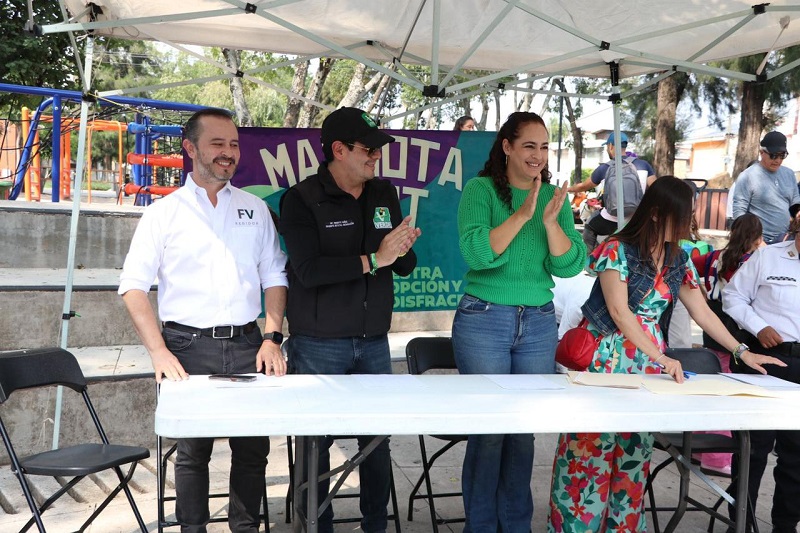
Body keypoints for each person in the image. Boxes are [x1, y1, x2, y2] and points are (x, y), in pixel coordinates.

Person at [547, 176, 785, 533]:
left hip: (647, 365)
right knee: (589, 453)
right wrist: (662, 359)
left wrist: (742, 351)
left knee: (633, 457)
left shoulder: (678, 258)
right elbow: (619, 313)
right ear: (657, 213)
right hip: (606, 359)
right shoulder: (617, 248)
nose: (690, 220)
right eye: (684, 213)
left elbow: (702, 312)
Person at [118, 108, 289, 533]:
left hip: (250, 344)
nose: (228, 152)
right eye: (217, 143)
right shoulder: (163, 213)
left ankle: (245, 528)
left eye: (233, 144)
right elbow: (133, 286)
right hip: (186, 348)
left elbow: (274, 275)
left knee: (253, 451)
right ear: (190, 148)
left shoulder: (255, 209)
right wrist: (158, 351)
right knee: (193, 454)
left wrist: (272, 337)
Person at [279, 106, 421, 533]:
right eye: (368, 149)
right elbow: (308, 271)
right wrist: (374, 259)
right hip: (319, 342)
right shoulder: (301, 198)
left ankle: (375, 524)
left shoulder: (383, 193)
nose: (376, 156)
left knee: (376, 442)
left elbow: (403, 264)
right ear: (339, 150)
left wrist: (402, 248)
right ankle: (316, 526)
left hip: (374, 339)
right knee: (315, 443)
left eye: (378, 149)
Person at [453, 111, 586, 532]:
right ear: (507, 147)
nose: (538, 155)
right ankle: (480, 526)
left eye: (544, 147)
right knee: (490, 431)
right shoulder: (479, 190)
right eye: (529, 145)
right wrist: (521, 216)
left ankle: (515, 526)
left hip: (539, 322)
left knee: (523, 430)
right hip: (484, 319)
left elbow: (569, 264)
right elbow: (477, 254)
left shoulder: (553, 199)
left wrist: (548, 222)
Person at [723, 217, 800, 533]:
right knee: (752, 449)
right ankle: (741, 522)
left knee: (796, 455)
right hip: (766, 360)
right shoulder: (767, 256)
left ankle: (785, 525)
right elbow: (733, 296)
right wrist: (759, 326)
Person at [691, 213, 764, 477]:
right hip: (736, 330)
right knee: (726, 393)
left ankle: (696, 447)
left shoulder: (714, 257)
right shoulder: (753, 261)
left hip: (712, 322)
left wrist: (701, 290)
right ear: (757, 238)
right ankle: (716, 457)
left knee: (711, 385)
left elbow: (689, 265)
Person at [567, 131, 656, 253]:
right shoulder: (643, 165)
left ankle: (589, 259)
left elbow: (583, 186)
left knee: (589, 226)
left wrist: (568, 189)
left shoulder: (605, 168)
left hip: (611, 219)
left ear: (610, 146)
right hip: (637, 219)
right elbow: (656, 188)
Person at [732, 131, 800, 244]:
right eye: (773, 155)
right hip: (759, 240)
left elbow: (795, 201)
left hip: (787, 238)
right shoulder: (747, 176)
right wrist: (754, 240)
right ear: (761, 152)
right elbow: (739, 212)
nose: (778, 160)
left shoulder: (789, 174)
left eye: (782, 155)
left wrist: (797, 212)